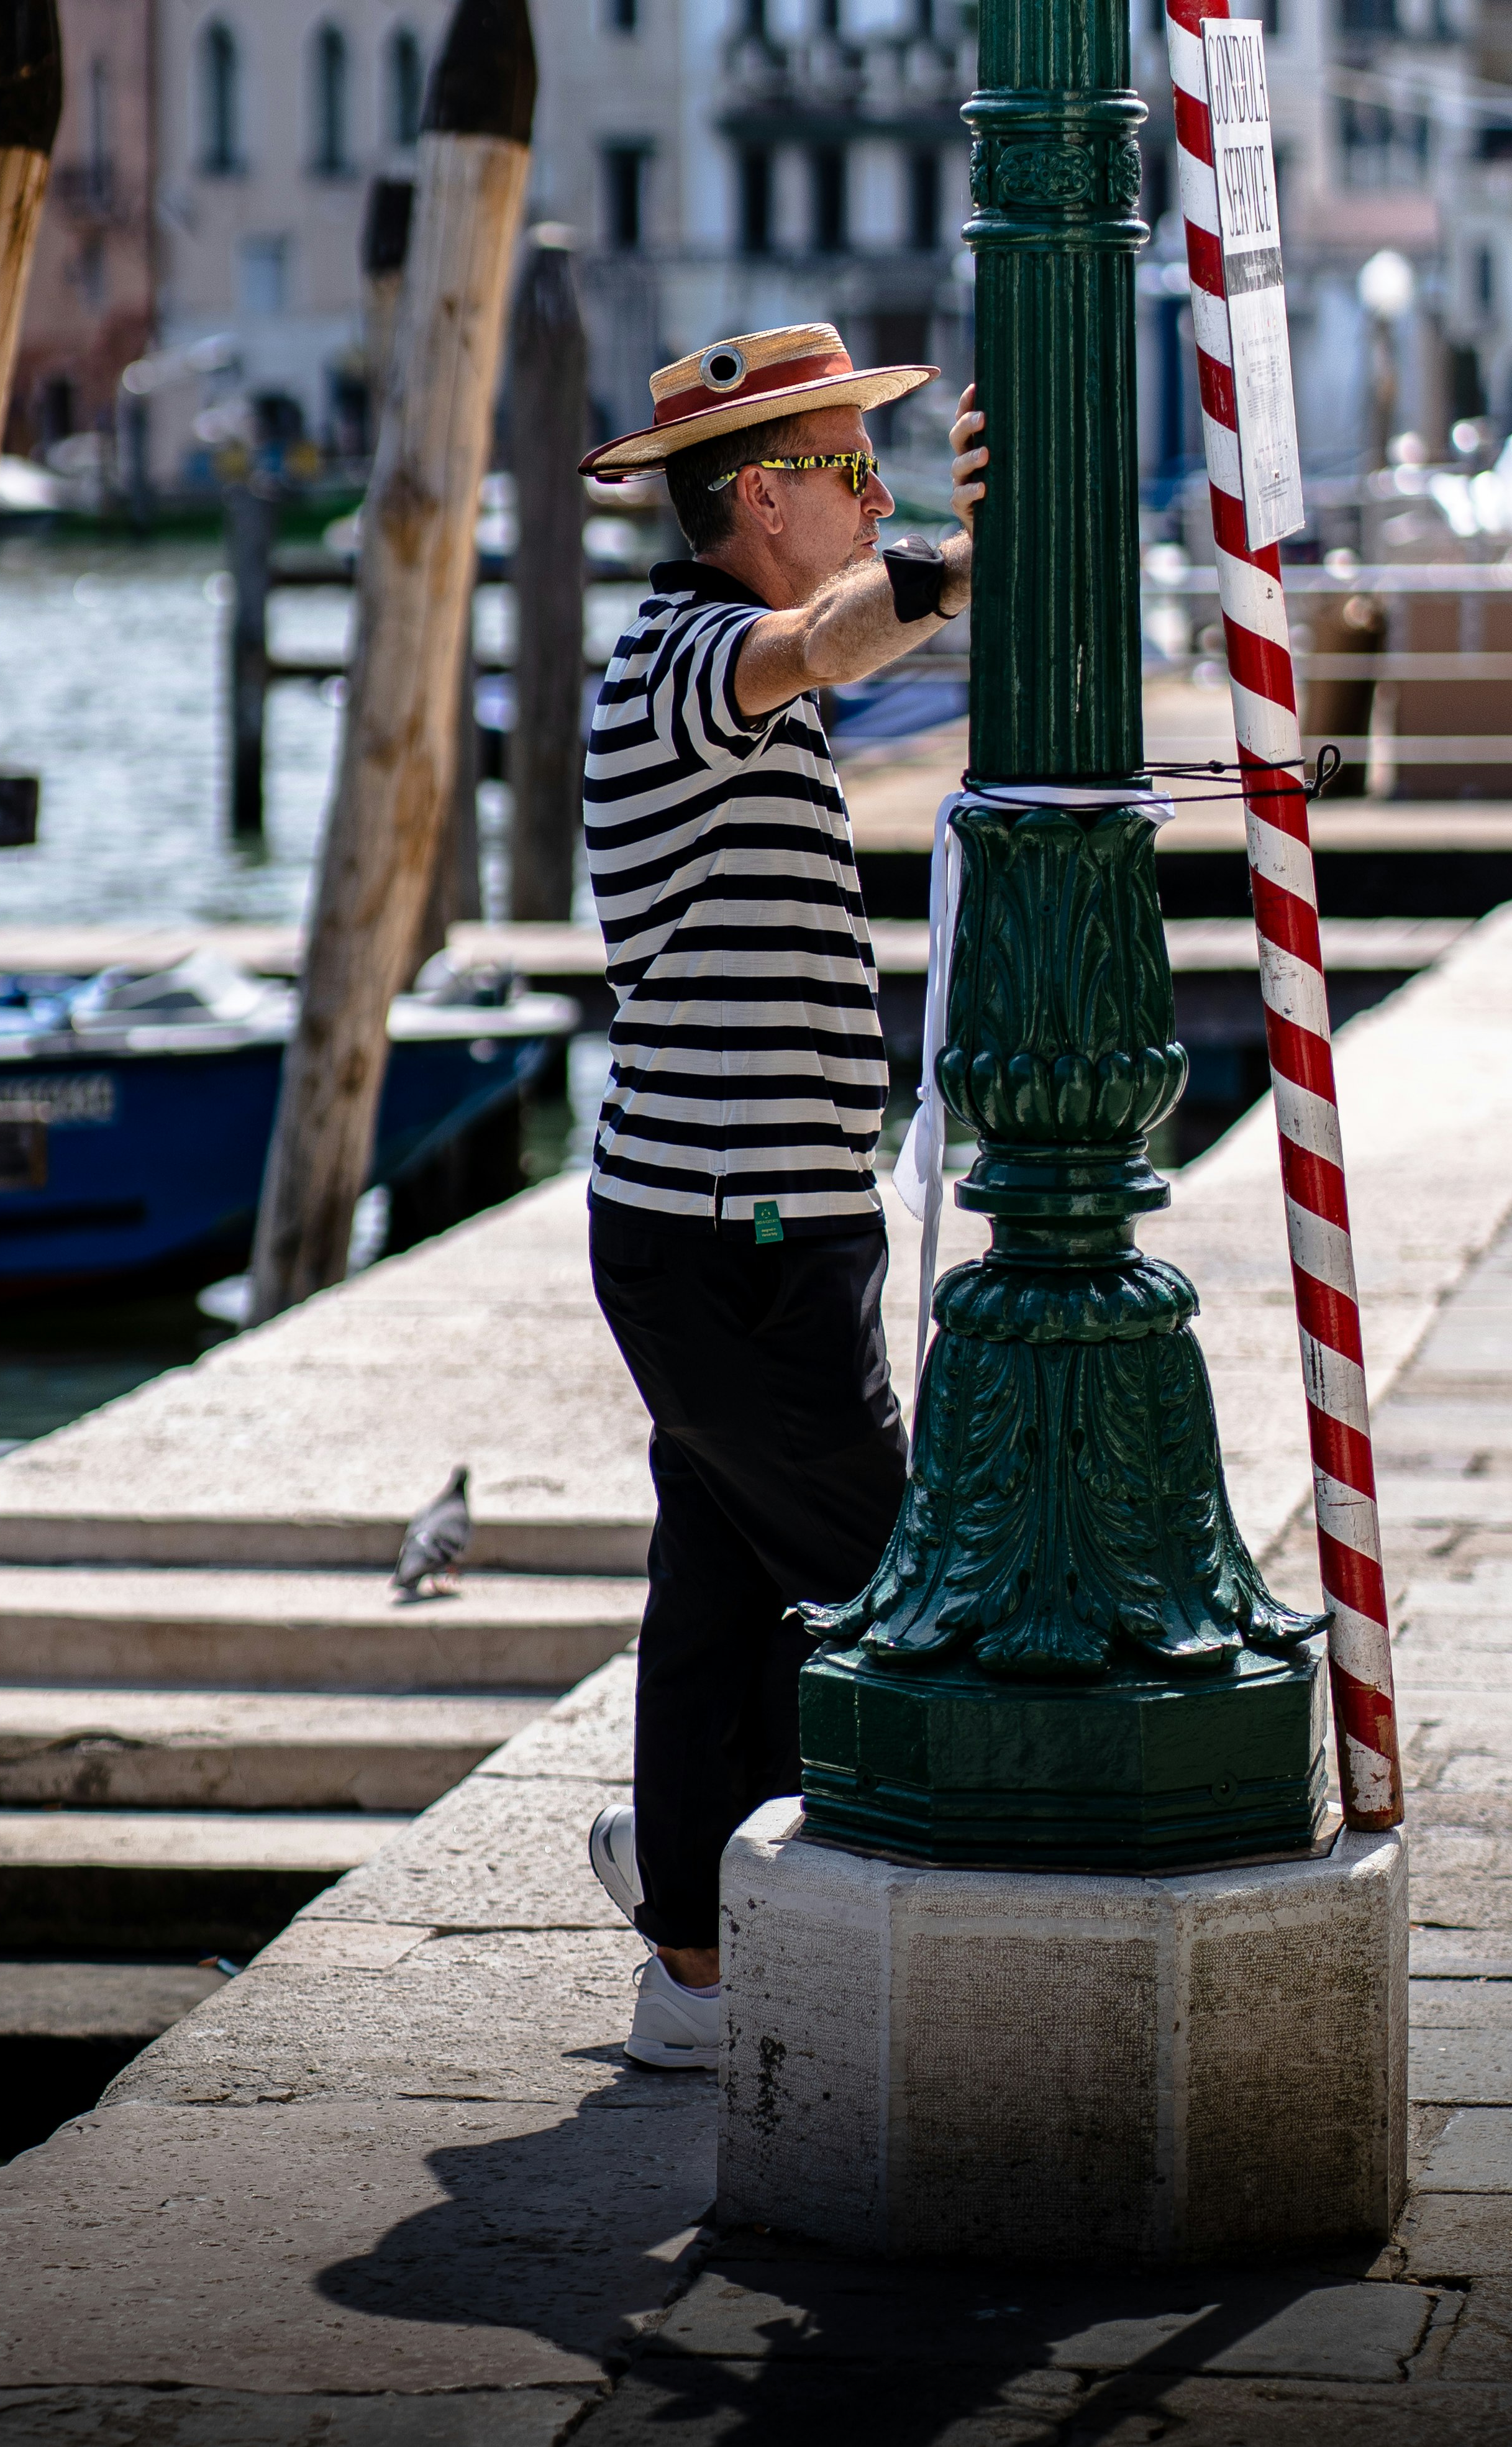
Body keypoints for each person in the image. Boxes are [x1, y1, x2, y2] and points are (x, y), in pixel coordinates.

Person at [575, 321, 986, 2067]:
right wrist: (975, 555)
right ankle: (773, 1928)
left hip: (740, 1226)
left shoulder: (702, 657)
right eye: (851, 466)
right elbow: (823, 637)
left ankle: (691, 1922)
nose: (874, 490)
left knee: (726, 1587)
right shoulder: (688, 660)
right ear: (763, 495)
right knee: (890, 1589)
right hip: (731, 1233)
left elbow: (824, 646)